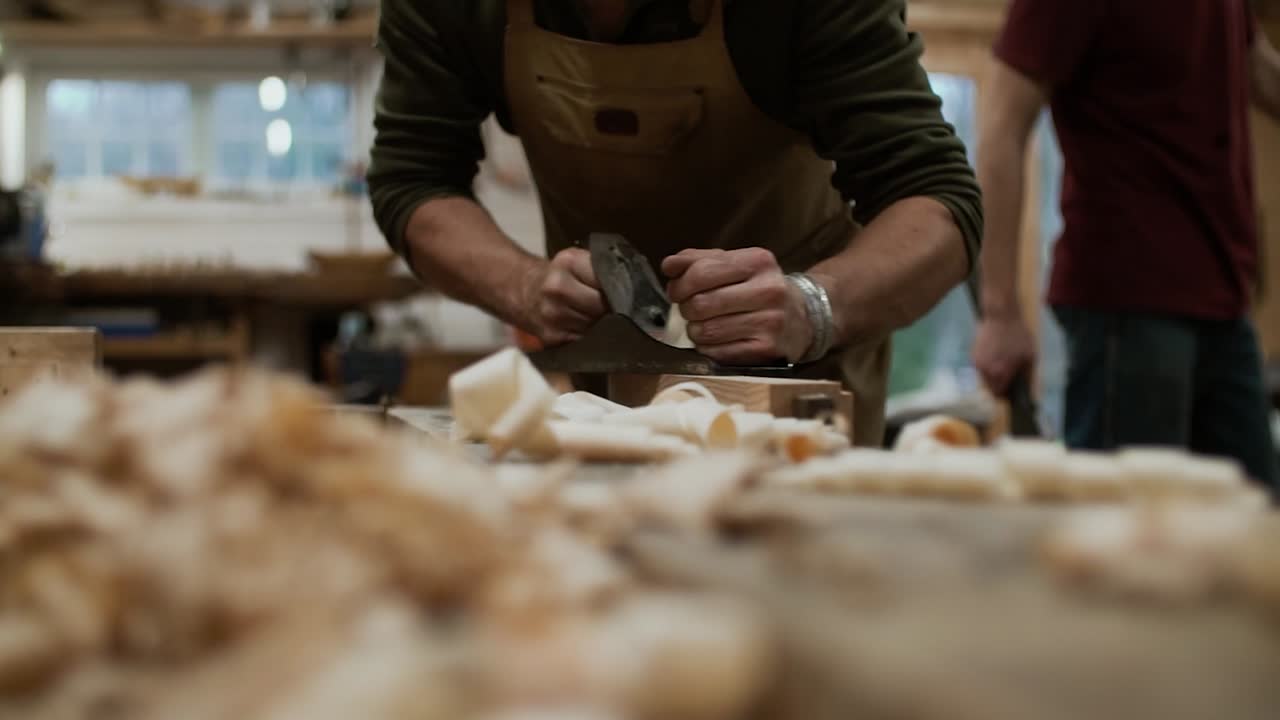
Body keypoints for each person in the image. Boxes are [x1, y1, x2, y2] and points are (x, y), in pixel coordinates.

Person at [367, 0, 983, 446]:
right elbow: (415, 178)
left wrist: (813, 305)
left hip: (796, 397)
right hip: (596, 403)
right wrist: (522, 285)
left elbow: (935, 201)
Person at [972, 0, 1280, 485]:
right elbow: (1001, 131)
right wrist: (1000, 312)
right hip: (1129, 303)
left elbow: (1258, 68)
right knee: (1125, 530)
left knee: (1255, 529)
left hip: (1224, 299)